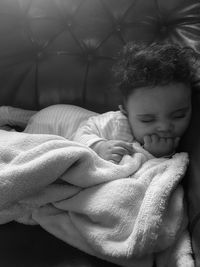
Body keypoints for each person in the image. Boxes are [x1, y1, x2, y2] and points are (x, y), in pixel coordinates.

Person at [73, 42, 198, 163]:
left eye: (178, 116)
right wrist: (99, 147)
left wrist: (160, 155)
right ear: (125, 112)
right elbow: (81, 133)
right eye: (147, 119)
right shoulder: (115, 123)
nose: (164, 127)